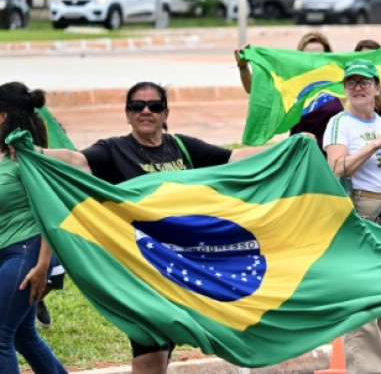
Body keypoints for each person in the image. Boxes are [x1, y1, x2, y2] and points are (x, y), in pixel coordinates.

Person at [41, 81, 287, 374]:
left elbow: (232, 158)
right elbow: (76, 160)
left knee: (165, 351)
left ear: (165, 112)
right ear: (128, 113)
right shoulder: (113, 150)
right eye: (137, 106)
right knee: (150, 353)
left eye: (154, 106)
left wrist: (288, 145)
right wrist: (34, 152)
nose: (146, 112)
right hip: (144, 273)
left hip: (185, 271)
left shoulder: (182, 147)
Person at [323, 60, 381, 374]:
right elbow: (337, 168)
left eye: (363, 82)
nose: (357, 88)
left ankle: (377, 366)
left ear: (376, 87)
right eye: (351, 83)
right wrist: (374, 145)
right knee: (364, 298)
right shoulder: (339, 123)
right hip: (357, 212)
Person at [0, 82, 68, 374]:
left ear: (3, 116)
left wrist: (43, 267)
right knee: (24, 336)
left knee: (0, 335)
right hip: (7, 253)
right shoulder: (5, 157)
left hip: (26, 253)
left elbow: (49, 212)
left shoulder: (27, 159)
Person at [235, 32, 344, 152]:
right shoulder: (291, 83)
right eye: (307, 56)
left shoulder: (339, 80)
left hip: (334, 157)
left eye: (318, 55)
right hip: (300, 154)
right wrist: (243, 67)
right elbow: (254, 89)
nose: (312, 60)